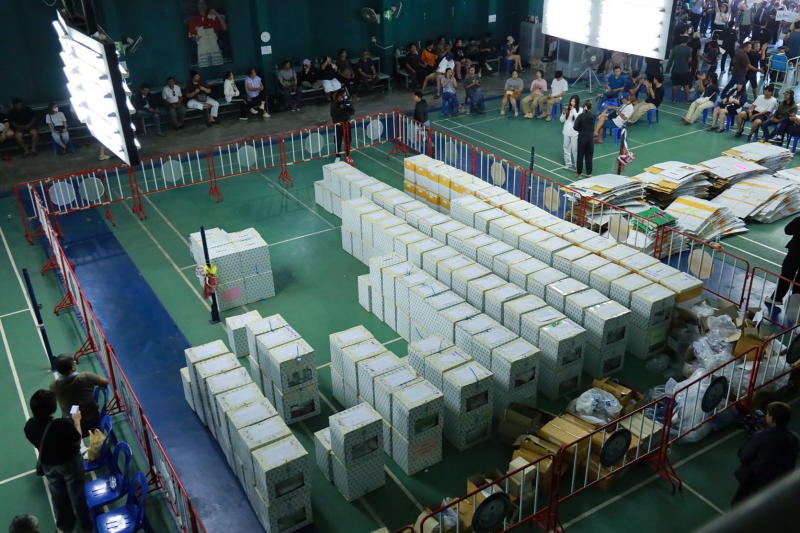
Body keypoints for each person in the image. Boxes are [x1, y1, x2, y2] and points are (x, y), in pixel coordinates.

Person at [23, 389, 92, 532]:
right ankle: (86, 526)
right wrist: (77, 421)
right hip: (70, 464)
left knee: (58, 495)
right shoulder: (62, 424)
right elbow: (78, 440)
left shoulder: (29, 426)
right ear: (53, 408)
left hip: (49, 466)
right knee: (77, 495)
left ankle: (64, 525)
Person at [732, 402, 799, 505]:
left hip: (757, 481)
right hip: (780, 482)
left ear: (772, 419)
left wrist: (750, 438)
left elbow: (743, 455)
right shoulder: (793, 439)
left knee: (739, 504)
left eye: (767, 414)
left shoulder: (761, 437)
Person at [51, 354, 109, 435]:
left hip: (71, 427)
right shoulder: (86, 377)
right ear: (73, 367)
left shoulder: (54, 386)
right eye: (73, 362)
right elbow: (105, 382)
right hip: (92, 421)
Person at [766, 216, 800, 305]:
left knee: (786, 276)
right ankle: (794, 305)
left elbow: (787, 231)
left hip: (795, 252)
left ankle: (777, 298)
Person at [188, 0, 227, 68]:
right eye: (199, 3)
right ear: (197, 6)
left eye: (203, 3)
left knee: (219, 67)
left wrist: (216, 13)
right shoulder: (193, 21)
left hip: (214, 49)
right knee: (204, 68)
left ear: (206, 5)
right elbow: (191, 36)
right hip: (202, 51)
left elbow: (224, 28)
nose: (201, 5)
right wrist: (195, 37)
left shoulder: (212, 17)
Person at [573, 101, 596, 178]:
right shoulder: (593, 116)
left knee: (580, 156)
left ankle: (579, 173)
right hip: (590, 139)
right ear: (590, 107)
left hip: (582, 138)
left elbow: (575, 127)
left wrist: (581, 130)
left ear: (584, 107)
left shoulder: (580, 116)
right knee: (589, 156)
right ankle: (589, 174)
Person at [330, 89, 354, 161]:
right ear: (338, 96)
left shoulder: (347, 102)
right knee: (338, 141)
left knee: (348, 140)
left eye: (345, 96)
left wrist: (349, 106)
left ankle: (347, 155)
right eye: (342, 96)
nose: (343, 98)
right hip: (338, 126)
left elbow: (352, 112)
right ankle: (338, 156)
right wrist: (341, 107)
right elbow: (334, 115)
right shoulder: (333, 104)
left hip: (346, 124)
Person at [559, 95, 582, 170]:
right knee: (566, 148)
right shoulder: (567, 109)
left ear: (577, 102)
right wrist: (563, 113)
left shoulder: (580, 110)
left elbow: (577, 120)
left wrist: (573, 110)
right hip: (566, 132)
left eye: (574, 101)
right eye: (571, 101)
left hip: (575, 133)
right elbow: (561, 120)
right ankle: (568, 164)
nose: (572, 103)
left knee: (575, 150)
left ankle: (577, 165)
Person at [670, 36, 693, 102]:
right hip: (684, 70)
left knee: (674, 85)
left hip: (676, 69)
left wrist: (668, 69)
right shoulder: (689, 49)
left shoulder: (675, 48)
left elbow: (671, 59)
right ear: (686, 42)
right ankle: (687, 99)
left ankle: (674, 99)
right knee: (686, 85)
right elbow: (689, 60)